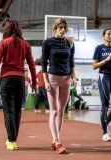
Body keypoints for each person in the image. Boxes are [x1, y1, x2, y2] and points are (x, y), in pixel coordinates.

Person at [0, 20, 37, 150]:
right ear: (19, 30)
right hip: (20, 79)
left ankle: (11, 140)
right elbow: (32, 65)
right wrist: (34, 83)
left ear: (6, 30)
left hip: (6, 78)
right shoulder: (26, 45)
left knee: (8, 110)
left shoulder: (3, 43)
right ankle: (13, 139)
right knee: (17, 111)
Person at [42, 18, 76, 154]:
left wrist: (74, 76)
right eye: (60, 28)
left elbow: (72, 61)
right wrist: (45, 81)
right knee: (54, 111)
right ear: (55, 28)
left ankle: (55, 139)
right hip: (53, 78)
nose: (62, 30)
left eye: (64, 28)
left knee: (62, 111)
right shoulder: (47, 43)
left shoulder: (70, 43)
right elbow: (44, 63)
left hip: (66, 78)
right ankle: (57, 141)